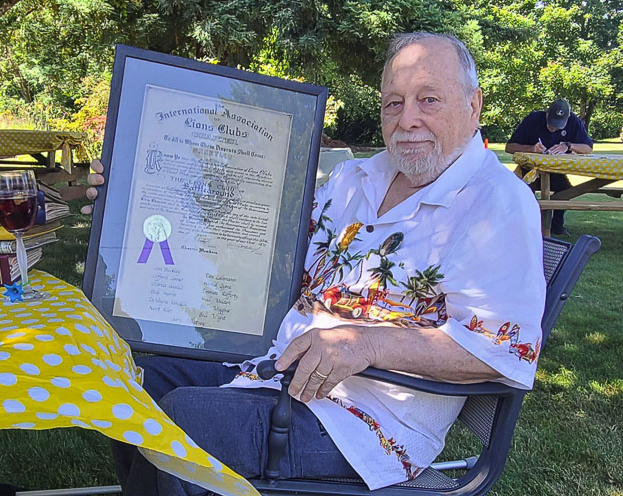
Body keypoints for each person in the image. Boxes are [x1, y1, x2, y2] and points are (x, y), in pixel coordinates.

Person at [84, 32, 545, 494]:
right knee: (134, 383)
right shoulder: (354, 178)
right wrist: (134, 197)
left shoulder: (497, 204)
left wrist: (366, 345)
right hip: (274, 368)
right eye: (393, 103)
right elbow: (262, 246)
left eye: (428, 100)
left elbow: (501, 351)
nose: (408, 120)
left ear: (473, 105)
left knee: (184, 419)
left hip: (364, 420)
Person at [505, 99, 593, 236]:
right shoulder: (533, 119)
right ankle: (523, 226)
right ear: (547, 114)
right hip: (530, 170)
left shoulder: (573, 122)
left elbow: (588, 148)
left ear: (567, 118)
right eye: (552, 124)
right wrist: (531, 148)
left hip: (556, 171)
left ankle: (556, 226)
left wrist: (568, 146)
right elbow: (509, 147)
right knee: (524, 191)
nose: (554, 128)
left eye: (558, 126)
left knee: (566, 191)